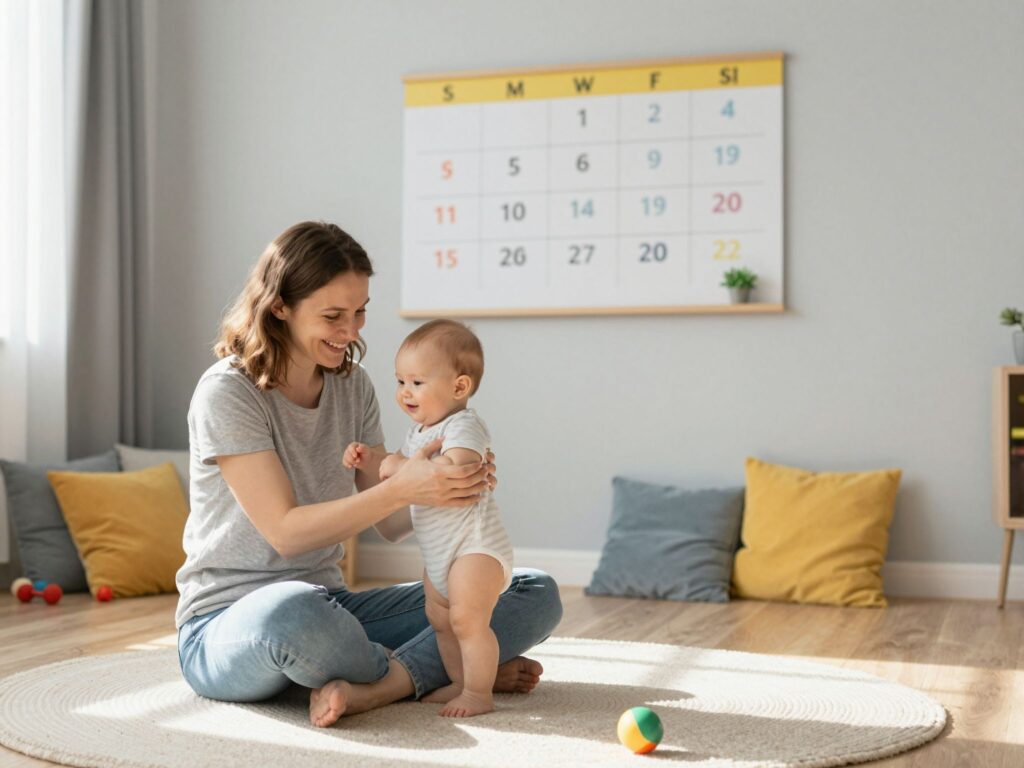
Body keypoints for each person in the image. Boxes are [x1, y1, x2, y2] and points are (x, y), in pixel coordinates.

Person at [175, 220, 562, 728]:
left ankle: (392, 678)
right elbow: (287, 533)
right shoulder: (227, 393)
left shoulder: (351, 385)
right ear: (280, 308)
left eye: (360, 313)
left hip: (331, 605)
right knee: (294, 616)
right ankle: (418, 676)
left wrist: (447, 487)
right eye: (333, 315)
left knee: (531, 591)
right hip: (230, 621)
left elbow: (391, 523)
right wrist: (403, 484)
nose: (352, 332)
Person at [344, 319, 512, 717]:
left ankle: (477, 693)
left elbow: (452, 467)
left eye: (417, 382)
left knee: (468, 621)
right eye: (400, 381)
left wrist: (397, 465)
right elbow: (406, 476)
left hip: (474, 548)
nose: (405, 392)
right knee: (440, 620)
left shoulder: (464, 425)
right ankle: (457, 681)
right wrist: (373, 461)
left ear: (459, 387)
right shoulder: (417, 432)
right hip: (438, 555)